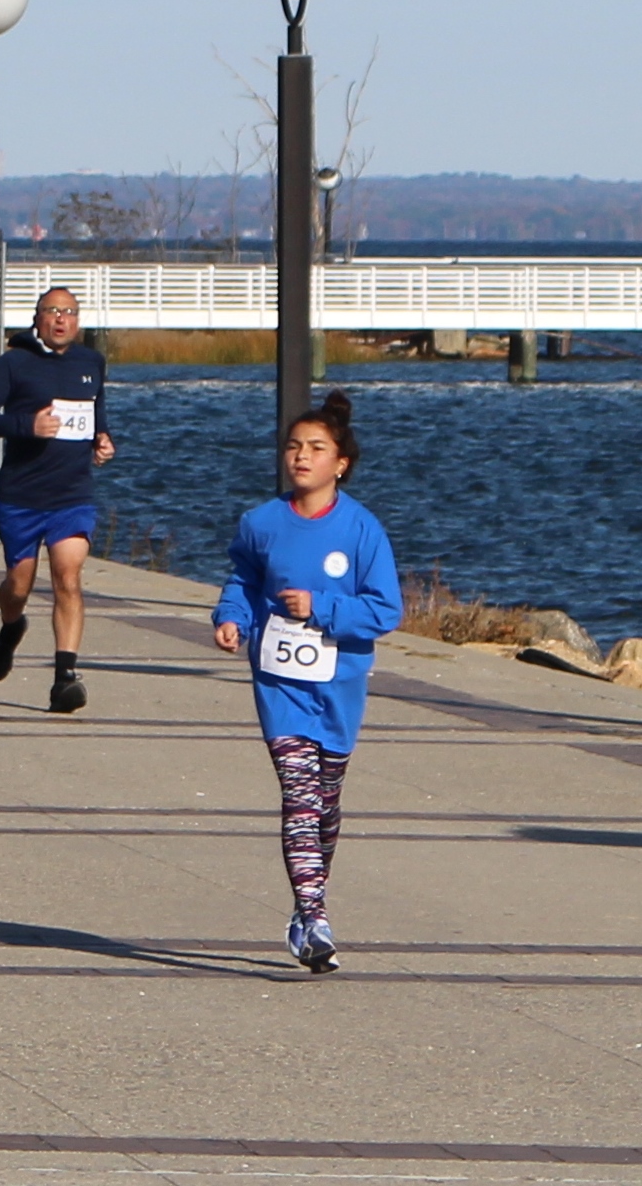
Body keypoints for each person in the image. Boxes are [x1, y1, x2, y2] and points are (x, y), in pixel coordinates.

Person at [211, 390, 401, 973]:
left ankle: (306, 905)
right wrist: (230, 617)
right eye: (294, 446)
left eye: (316, 448)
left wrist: (321, 607)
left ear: (340, 462)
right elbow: (243, 577)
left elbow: (386, 610)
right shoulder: (261, 522)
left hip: (338, 681)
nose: (301, 457)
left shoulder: (363, 529)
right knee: (298, 793)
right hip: (279, 680)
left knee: (326, 804)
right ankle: (314, 916)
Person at [0, 285, 114, 713]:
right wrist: (26, 425)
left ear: (77, 320)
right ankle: (11, 628)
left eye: (68, 312)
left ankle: (65, 677)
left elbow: (96, 416)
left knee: (68, 576)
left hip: (72, 495)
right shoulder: (14, 362)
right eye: (52, 311)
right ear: (38, 318)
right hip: (21, 496)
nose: (60, 319)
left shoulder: (92, 363)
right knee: (19, 585)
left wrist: (103, 442)